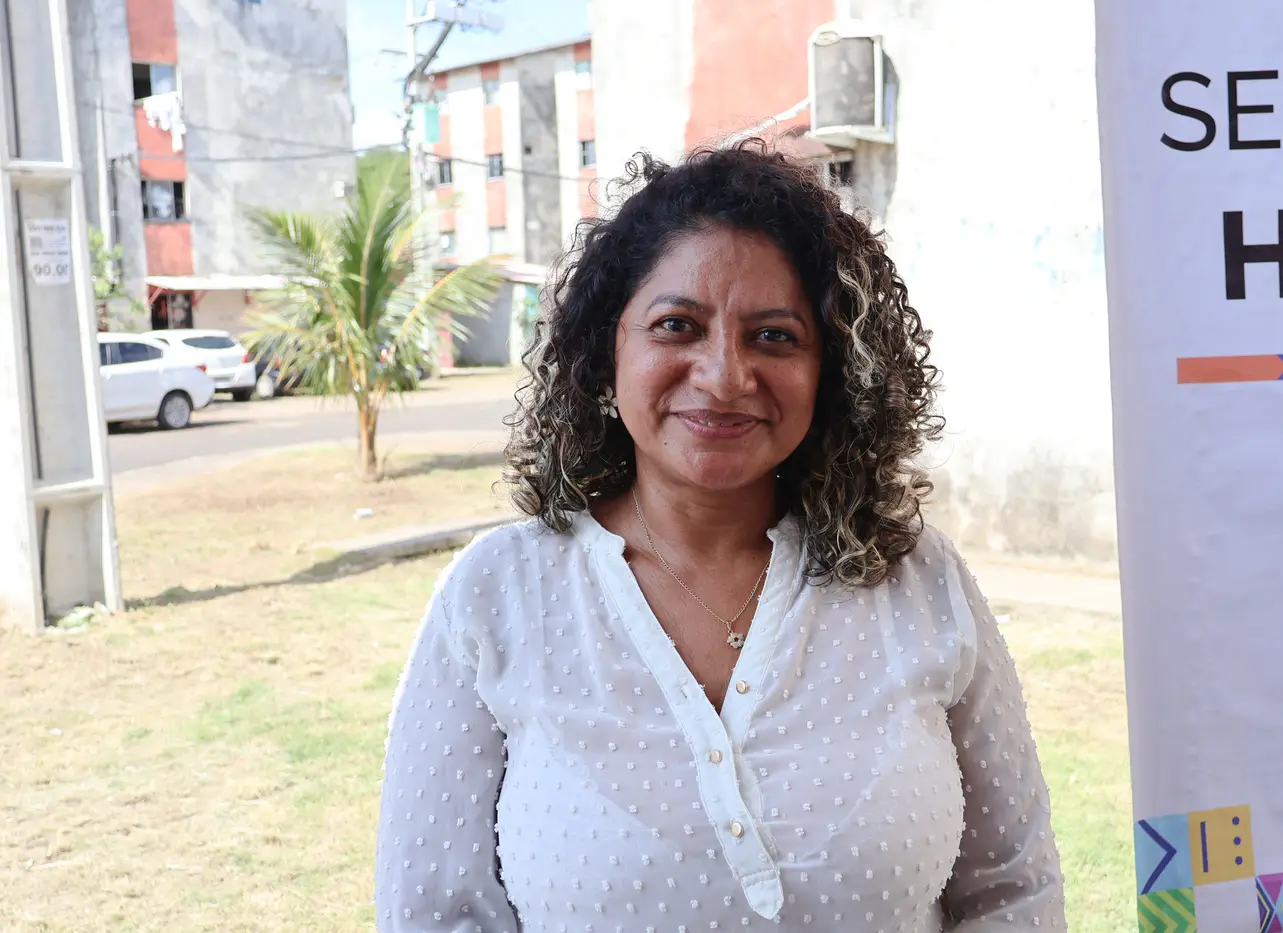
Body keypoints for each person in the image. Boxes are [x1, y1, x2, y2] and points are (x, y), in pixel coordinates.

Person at [375, 142, 1065, 932]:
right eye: (677, 326)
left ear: (832, 372)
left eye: (774, 336)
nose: (725, 374)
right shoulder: (495, 597)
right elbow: (435, 914)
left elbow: (1014, 890)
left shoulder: (919, 582)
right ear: (606, 353)